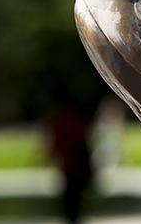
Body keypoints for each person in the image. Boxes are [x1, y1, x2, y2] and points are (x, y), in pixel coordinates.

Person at [47, 96, 95, 224]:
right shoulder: (77, 120)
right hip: (76, 164)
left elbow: (57, 143)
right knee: (75, 196)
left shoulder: (60, 121)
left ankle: (72, 216)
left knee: (70, 196)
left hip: (70, 165)